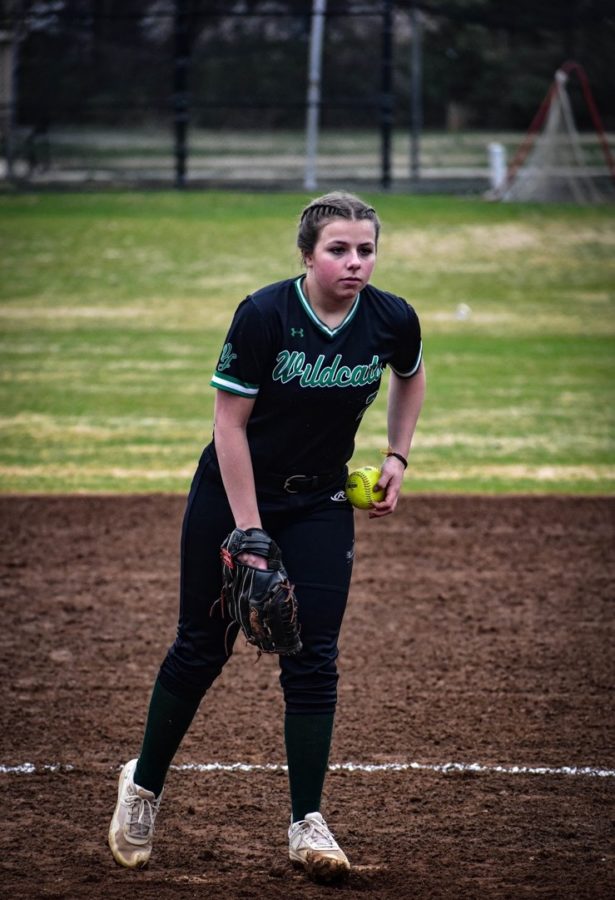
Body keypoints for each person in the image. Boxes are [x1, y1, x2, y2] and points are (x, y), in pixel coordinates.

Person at [108, 190, 426, 883]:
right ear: (307, 255)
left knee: (311, 655)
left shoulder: (390, 318)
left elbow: (410, 374)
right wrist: (248, 530)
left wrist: (397, 456)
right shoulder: (264, 314)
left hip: (319, 500)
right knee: (202, 646)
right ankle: (143, 788)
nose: (354, 263)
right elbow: (229, 426)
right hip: (231, 494)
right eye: (338, 249)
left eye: (365, 249)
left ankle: (306, 823)